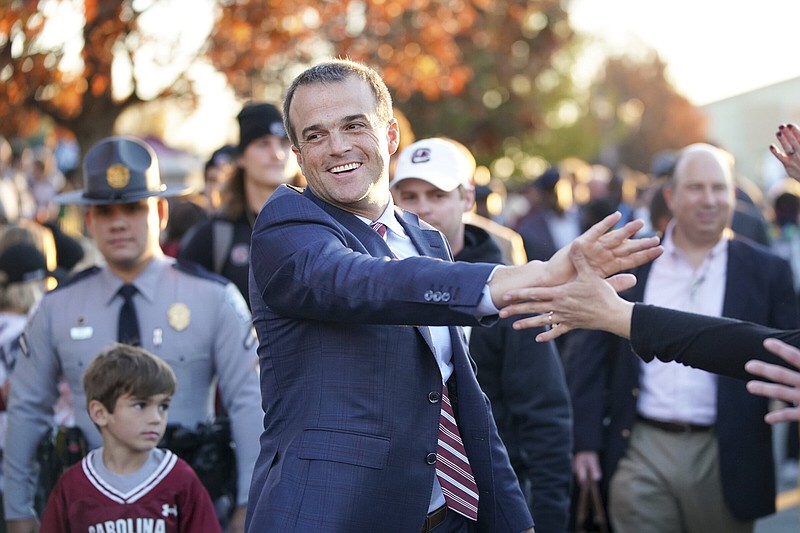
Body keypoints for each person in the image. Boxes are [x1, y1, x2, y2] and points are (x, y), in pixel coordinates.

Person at [245, 58, 661, 532]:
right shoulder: (286, 226)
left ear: (391, 136)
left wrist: (513, 519)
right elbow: (364, 282)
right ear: (299, 155)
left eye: (353, 125)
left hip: (449, 517)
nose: (337, 146)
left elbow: (463, 398)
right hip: (330, 517)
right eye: (315, 135)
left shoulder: (427, 239)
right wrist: (508, 278)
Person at [4, 136, 261, 533]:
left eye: (133, 207)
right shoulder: (57, 308)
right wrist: (17, 509)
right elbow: (26, 409)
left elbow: (249, 404)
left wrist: (250, 503)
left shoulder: (214, 298)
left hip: (192, 509)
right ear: (89, 221)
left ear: (159, 212)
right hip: (89, 511)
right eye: (105, 211)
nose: (119, 222)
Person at [547, 143, 798, 533]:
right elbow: (590, 357)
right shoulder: (633, 261)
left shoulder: (768, 271)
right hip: (642, 446)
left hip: (727, 452)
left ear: (733, 194)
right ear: (671, 195)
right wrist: (586, 441)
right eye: (696, 187)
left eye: (719, 188)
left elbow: (787, 355)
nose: (709, 199)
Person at [391, 137, 572, 533]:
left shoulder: (512, 289)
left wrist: (547, 517)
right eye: (409, 195)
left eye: (437, 194)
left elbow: (544, 413)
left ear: (467, 197)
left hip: (488, 501)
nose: (422, 207)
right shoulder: (375, 283)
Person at [499, 238, 800, 422]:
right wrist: (620, 315)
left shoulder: (765, 265)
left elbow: (756, 347)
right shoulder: (644, 260)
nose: (708, 200)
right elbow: (745, 345)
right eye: (696, 187)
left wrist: (619, 315)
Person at [40, 343, 221, 533]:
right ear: (100, 413)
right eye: (140, 405)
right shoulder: (73, 486)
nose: (156, 418)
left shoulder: (180, 479)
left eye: (163, 406)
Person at [179, 103, 299, 300]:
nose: (276, 154)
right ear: (241, 157)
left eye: (284, 143)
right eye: (263, 144)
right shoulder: (213, 236)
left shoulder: (318, 223)